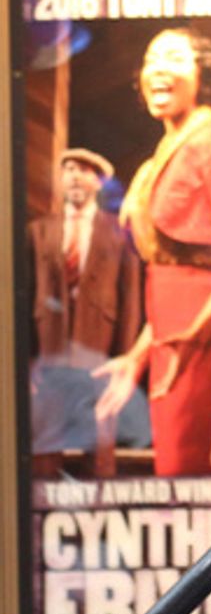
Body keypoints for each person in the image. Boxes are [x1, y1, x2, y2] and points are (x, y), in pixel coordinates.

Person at [95, 28, 211, 476]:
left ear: (203, 74)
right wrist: (138, 356)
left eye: (174, 57)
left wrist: (196, 333)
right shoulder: (165, 152)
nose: (159, 68)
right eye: (152, 59)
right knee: (176, 465)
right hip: (171, 332)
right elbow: (166, 273)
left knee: (206, 465)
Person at [28, 147, 146, 473]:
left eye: (84, 170)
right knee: (45, 446)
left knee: (100, 446)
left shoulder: (119, 231)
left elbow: (130, 299)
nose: (75, 177)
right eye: (68, 169)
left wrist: (124, 357)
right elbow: (26, 295)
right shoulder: (39, 231)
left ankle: (99, 496)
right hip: (50, 354)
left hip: (100, 353)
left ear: (98, 181)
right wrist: (28, 359)